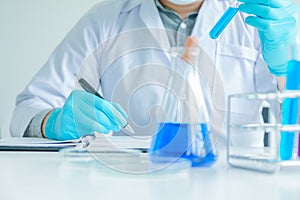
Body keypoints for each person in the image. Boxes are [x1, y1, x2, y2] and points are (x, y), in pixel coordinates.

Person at [10, 0, 298, 144]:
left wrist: (285, 68)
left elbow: (291, 126)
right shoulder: (107, 18)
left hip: (235, 183)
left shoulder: (257, 17)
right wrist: (56, 122)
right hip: (133, 185)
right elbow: (27, 109)